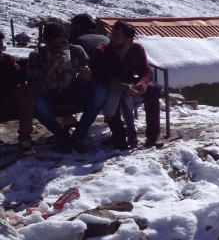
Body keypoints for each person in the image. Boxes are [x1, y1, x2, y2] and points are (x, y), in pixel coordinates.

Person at [26, 22, 105, 153]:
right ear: (46, 42)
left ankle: (79, 136)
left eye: (64, 43)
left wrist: (88, 76)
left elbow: (89, 80)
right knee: (36, 101)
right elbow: (37, 87)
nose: (61, 48)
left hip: (71, 92)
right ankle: (61, 135)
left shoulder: (76, 51)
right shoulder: (36, 55)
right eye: (56, 45)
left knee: (100, 91)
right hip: (49, 96)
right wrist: (52, 66)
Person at [91, 20, 162, 149]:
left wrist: (142, 83)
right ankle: (119, 134)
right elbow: (102, 78)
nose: (112, 39)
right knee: (113, 95)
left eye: (117, 36)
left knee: (151, 89)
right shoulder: (101, 52)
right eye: (112, 35)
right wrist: (122, 87)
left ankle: (153, 134)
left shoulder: (137, 50)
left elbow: (145, 71)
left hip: (129, 84)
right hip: (111, 87)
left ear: (128, 41)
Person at [0, 31, 34, 155]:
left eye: (1, 47)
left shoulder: (7, 59)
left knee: (25, 90)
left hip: (5, 101)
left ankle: (25, 140)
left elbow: (20, 77)